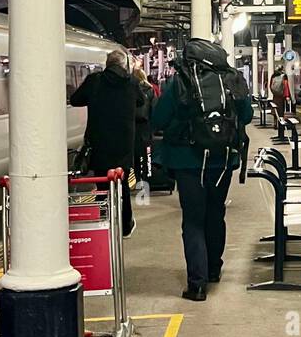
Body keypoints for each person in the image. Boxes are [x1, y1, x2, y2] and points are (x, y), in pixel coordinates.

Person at [152, 39, 252, 301]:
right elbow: (248, 115)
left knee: (194, 220)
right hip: (223, 160)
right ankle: (214, 270)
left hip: (188, 162)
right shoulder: (233, 79)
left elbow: (158, 118)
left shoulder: (180, 82)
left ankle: (197, 285)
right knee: (215, 214)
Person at [70, 49, 137, 237]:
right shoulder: (131, 82)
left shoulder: (95, 81)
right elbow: (140, 101)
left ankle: (106, 221)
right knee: (121, 183)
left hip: (99, 142)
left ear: (107, 64)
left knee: (102, 185)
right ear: (125, 65)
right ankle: (125, 225)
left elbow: (75, 100)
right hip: (124, 142)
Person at [132, 62, 156, 202]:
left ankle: (136, 179)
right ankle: (147, 181)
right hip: (146, 126)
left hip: (133, 125)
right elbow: (154, 108)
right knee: (147, 154)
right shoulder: (150, 89)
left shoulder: (130, 89)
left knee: (134, 154)